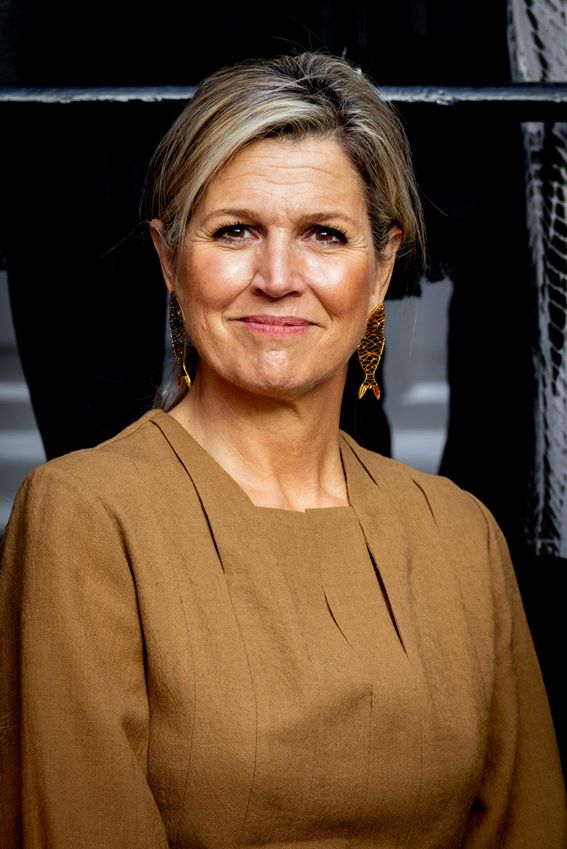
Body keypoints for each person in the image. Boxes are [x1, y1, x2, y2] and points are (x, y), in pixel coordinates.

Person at [0, 52, 565, 849]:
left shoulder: (460, 533)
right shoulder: (84, 516)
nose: (276, 276)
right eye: (235, 231)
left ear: (381, 270)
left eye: (323, 235)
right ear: (169, 260)